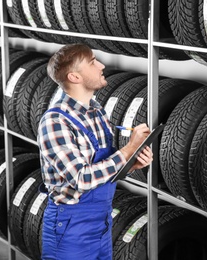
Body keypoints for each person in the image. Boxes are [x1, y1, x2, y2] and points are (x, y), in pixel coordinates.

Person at [37, 43, 153, 260]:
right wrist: (128, 150)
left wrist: (130, 165)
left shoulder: (96, 111)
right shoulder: (55, 122)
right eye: (92, 62)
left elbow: (100, 169)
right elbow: (81, 178)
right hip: (70, 228)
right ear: (74, 77)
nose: (101, 65)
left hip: (102, 222)